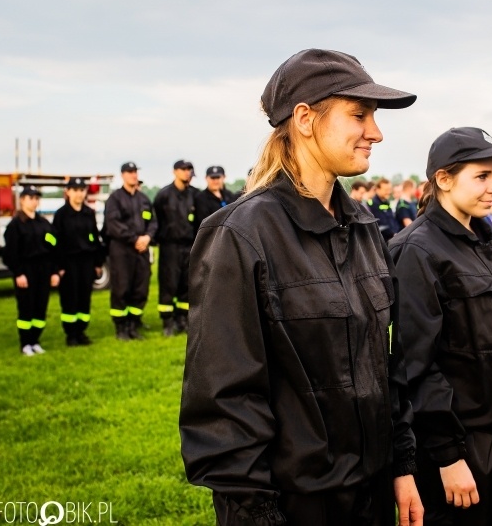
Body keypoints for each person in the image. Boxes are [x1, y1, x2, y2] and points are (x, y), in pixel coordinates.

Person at [179, 48, 423, 526]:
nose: (376, 132)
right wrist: (257, 514)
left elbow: (382, 365)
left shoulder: (364, 229)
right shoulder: (241, 235)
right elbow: (225, 401)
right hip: (295, 505)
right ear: (306, 119)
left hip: (371, 495)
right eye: (359, 115)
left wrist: (402, 464)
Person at [389, 127, 492, 525]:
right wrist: (449, 456)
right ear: (443, 179)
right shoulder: (417, 251)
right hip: (459, 448)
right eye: (482, 176)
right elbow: (417, 366)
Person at [3, 185, 60, 355]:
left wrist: (54, 271)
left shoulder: (43, 224)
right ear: (22, 200)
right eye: (30, 198)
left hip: (43, 270)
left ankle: (35, 340)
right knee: (26, 308)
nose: (34, 202)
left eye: (36, 198)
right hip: (25, 272)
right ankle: (25, 343)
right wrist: (18, 273)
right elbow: (10, 253)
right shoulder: (16, 225)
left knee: (40, 307)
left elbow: (53, 247)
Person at [104, 161, 157, 341]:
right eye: (130, 172)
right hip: (122, 250)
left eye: (135, 171)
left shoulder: (143, 200)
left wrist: (147, 237)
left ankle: (133, 325)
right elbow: (113, 224)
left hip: (141, 251)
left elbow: (153, 222)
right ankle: (121, 327)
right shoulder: (115, 199)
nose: (133, 175)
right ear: (123, 175)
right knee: (121, 288)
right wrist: (134, 239)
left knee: (140, 289)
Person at [52, 177, 104, 346]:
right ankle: (71, 334)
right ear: (68, 192)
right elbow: (56, 242)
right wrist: (58, 266)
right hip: (68, 263)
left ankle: (81, 331)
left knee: (84, 298)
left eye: (82, 190)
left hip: (87, 262)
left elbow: (94, 238)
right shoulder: (61, 214)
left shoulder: (88, 213)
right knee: (70, 298)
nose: (79, 194)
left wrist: (97, 263)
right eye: (75, 190)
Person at [154, 160, 197, 336]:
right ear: (175, 172)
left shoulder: (194, 195)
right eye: (183, 169)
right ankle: (167, 321)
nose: (187, 172)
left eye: (189, 169)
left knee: (186, 285)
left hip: (189, 245)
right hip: (169, 246)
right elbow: (156, 220)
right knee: (168, 283)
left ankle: (183, 319)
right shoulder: (164, 195)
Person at [193, 165, 240, 233]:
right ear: (206, 178)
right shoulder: (201, 198)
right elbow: (205, 222)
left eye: (218, 177)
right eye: (212, 178)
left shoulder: (229, 195)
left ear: (223, 177)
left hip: (228, 235)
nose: (215, 181)